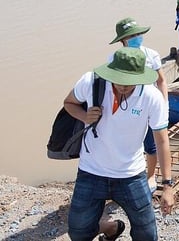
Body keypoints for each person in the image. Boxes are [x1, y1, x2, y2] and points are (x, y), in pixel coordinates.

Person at [64, 47, 173, 241]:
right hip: (91, 171)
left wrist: (167, 186)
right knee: (78, 232)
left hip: (131, 174)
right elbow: (69, 103)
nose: (123, 85)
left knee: (147, 233)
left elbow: (162, 140)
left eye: (129, 81)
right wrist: (84, 116)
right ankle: (111, 228)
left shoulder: (152, 96)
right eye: (118, 78)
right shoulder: (91, 82)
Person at [109, 17, 167, 193]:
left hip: (148, 106)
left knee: (152, 145)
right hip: (125, 106)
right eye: (131, 35)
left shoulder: (151, 54)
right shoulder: (114, 58)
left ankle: (150, 176)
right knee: (124, 142)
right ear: (122, 40)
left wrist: (164, 105)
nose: (136, 37)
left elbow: (162, 81)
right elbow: (112, 85)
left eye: (138, 34)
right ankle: (122, 175)